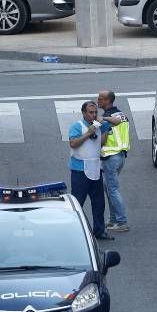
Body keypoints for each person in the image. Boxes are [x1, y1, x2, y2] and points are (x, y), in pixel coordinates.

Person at [69, 101, 113, 240]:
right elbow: (73, 143)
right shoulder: (77, 126)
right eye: (90, 112)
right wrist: (89, 133)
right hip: (79, 171)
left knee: (99, 203)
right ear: (83, 113)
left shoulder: (100, 124)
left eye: (95, 112)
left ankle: (99, 230)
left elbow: (117, 121)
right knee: (77, 204)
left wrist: (103, 119)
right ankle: (74, 231)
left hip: (95, 169)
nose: (93, 115)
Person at [97, 90, 130, 233]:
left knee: (113, 189)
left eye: (100, 99)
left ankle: (121, 221)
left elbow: (103, 138)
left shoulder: (106, 118)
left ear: (108, 101)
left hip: (110, 156)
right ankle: (113, 220)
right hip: (121, 156)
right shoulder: (122, 114)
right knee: (110, 188)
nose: (98, 101)